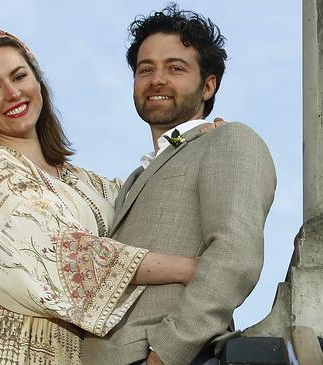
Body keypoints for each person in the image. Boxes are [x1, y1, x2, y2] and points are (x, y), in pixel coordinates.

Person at [0, 28, 211, 365]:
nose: (13, 93)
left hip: (75, 353)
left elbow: (150, 200)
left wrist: (198, 137)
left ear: (37, 81)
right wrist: (193, 269)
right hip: (5, 348)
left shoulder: (89, 184)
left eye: (20, 76)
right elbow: (60, 253)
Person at [80, 5, 277, 365]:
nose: (157, 79)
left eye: (176, 68)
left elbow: (234, 257)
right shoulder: (133, 179)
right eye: (145, 69)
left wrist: (166, 354)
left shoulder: (228, 139)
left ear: (208, 85)